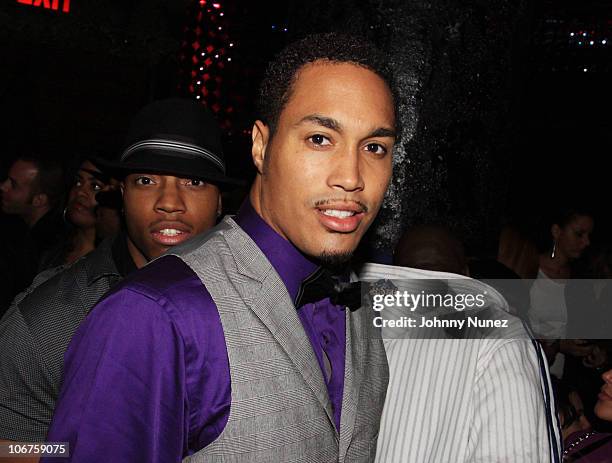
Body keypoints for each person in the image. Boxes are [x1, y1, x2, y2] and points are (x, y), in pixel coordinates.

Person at [43, 33, 396, 463]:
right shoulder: (154, 314)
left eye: (375, 147)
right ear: (261, 146)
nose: (351, 176)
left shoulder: (358, 309)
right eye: (320, 139)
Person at [0, 98, 235, 452]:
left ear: (219, 201)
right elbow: (9, 448)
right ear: (122, 194)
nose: (169, 202)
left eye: (194, 181)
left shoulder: (255, 304)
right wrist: (79, 448)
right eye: (146, 180)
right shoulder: (46, 321)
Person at [365, 224, 562, 462]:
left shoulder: (346, 319)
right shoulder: (498, 332)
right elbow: (515, 452)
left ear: (396, 270)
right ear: (467, 271)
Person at [529, 207, 595, 378]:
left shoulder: (581, 282)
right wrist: (558, 345)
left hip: (559, 380)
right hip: (527, 370)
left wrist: (593, 351)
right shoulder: (528, 269)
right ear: (557, 231)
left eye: (589, 235)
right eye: (579, 234)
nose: (587, 242)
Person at [0, 157, 64, 311]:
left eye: (13, 185)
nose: (3, 186)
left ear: (39, 200)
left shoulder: (45, 247)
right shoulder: (22, 234)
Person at [37, 159, 116, 271]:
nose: (80, 192)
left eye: (95, 186)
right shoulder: (49, 248)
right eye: (78, 182)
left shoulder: (115, 262)